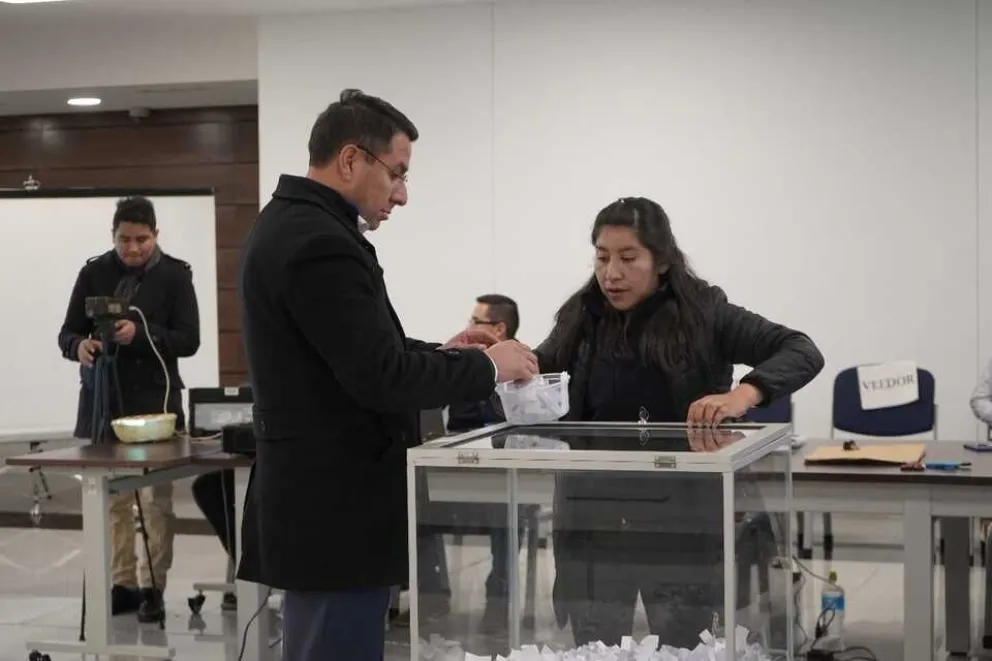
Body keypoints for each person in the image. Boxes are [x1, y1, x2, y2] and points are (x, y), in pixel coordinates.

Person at [236, 89, 539, 661]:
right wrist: (486, 366)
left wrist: (448, 354)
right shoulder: (320, 242)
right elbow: (380, 377)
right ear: (351, 160)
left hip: (322, 509)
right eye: (396, 174)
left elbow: (358, 353)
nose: (402, 194)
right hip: (336, 511)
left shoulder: (295, 225)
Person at [535, 197, 824, 648]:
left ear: (663, 261)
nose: (611, 273)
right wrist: (498, 365)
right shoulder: (581, 316)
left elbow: (800, 350)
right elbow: (542, 370)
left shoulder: (705, 315)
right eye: (602, 257)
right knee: (594, 650)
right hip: (594, 518)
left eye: (629, 259)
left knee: (682, 647)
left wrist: (741, 395)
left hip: (679, 522)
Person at [57, 195, 200, 623]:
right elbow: (67, 333)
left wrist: (140, 333)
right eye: (124, 239)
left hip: (155, 408)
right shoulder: (94, 272)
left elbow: (188, 340)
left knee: (155, 503)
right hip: (105, 405)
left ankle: (153, 587)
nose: (133, 248)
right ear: (113, 236)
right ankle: (121, 584)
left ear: (156, 235)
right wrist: (79, 345)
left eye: (141, 239)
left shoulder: (175, 276)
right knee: (112, 502)